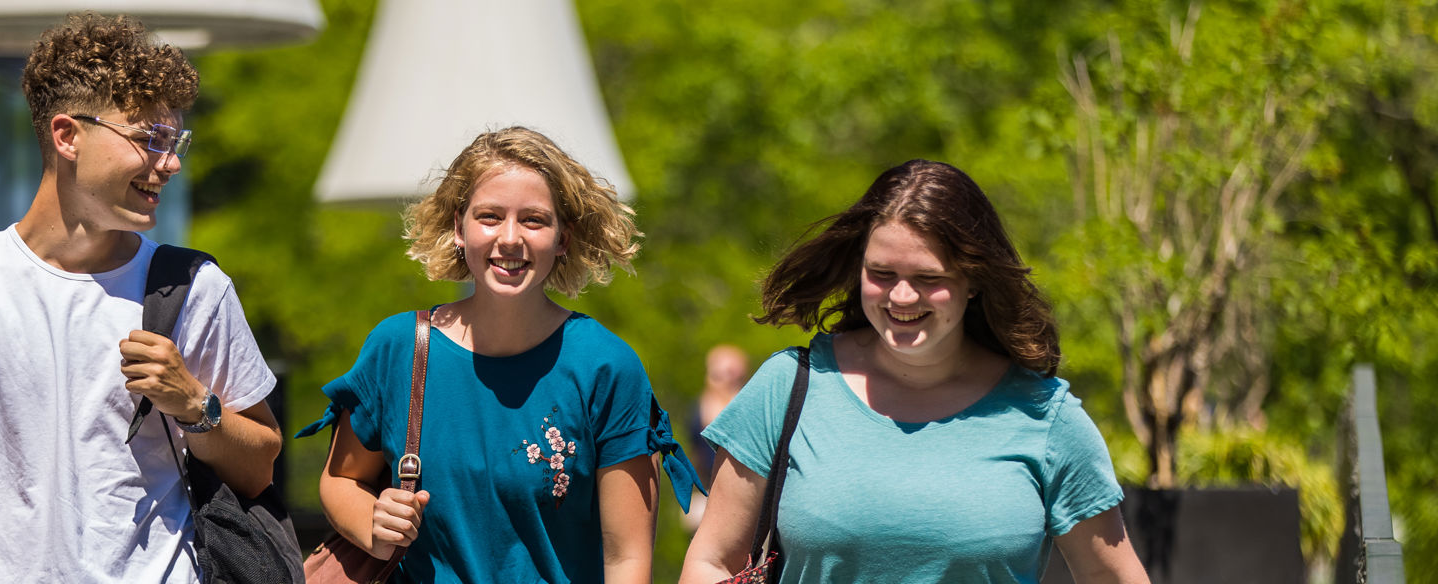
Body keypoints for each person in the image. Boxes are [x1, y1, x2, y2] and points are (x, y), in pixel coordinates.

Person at [0, 13, 281, 583]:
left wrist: (195, 406)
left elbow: (260, 465)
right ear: (68, 135)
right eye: (148, 139)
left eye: (175, 141)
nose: (170, 163)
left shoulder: (193, 287)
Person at [679, 160, 1149, 583]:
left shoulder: (1045, 416)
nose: (901, 297)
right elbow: (712, 562)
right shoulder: (789, 388)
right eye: (882, 274)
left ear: (973, 281)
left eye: (928, 278)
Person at [294, 127, 701, 583]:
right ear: (458, 228)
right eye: (489, 216)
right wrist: (374, 524)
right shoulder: (400, 348)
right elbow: (341, 480)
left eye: (533, 220)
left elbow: (627, 561)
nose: (510, 238)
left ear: (562, 238)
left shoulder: (606, 367)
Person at [680, 344, 750, 530]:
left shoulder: (746, 406)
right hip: (710, 491)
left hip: (744, 492)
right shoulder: (700, 406)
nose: (724, 379)